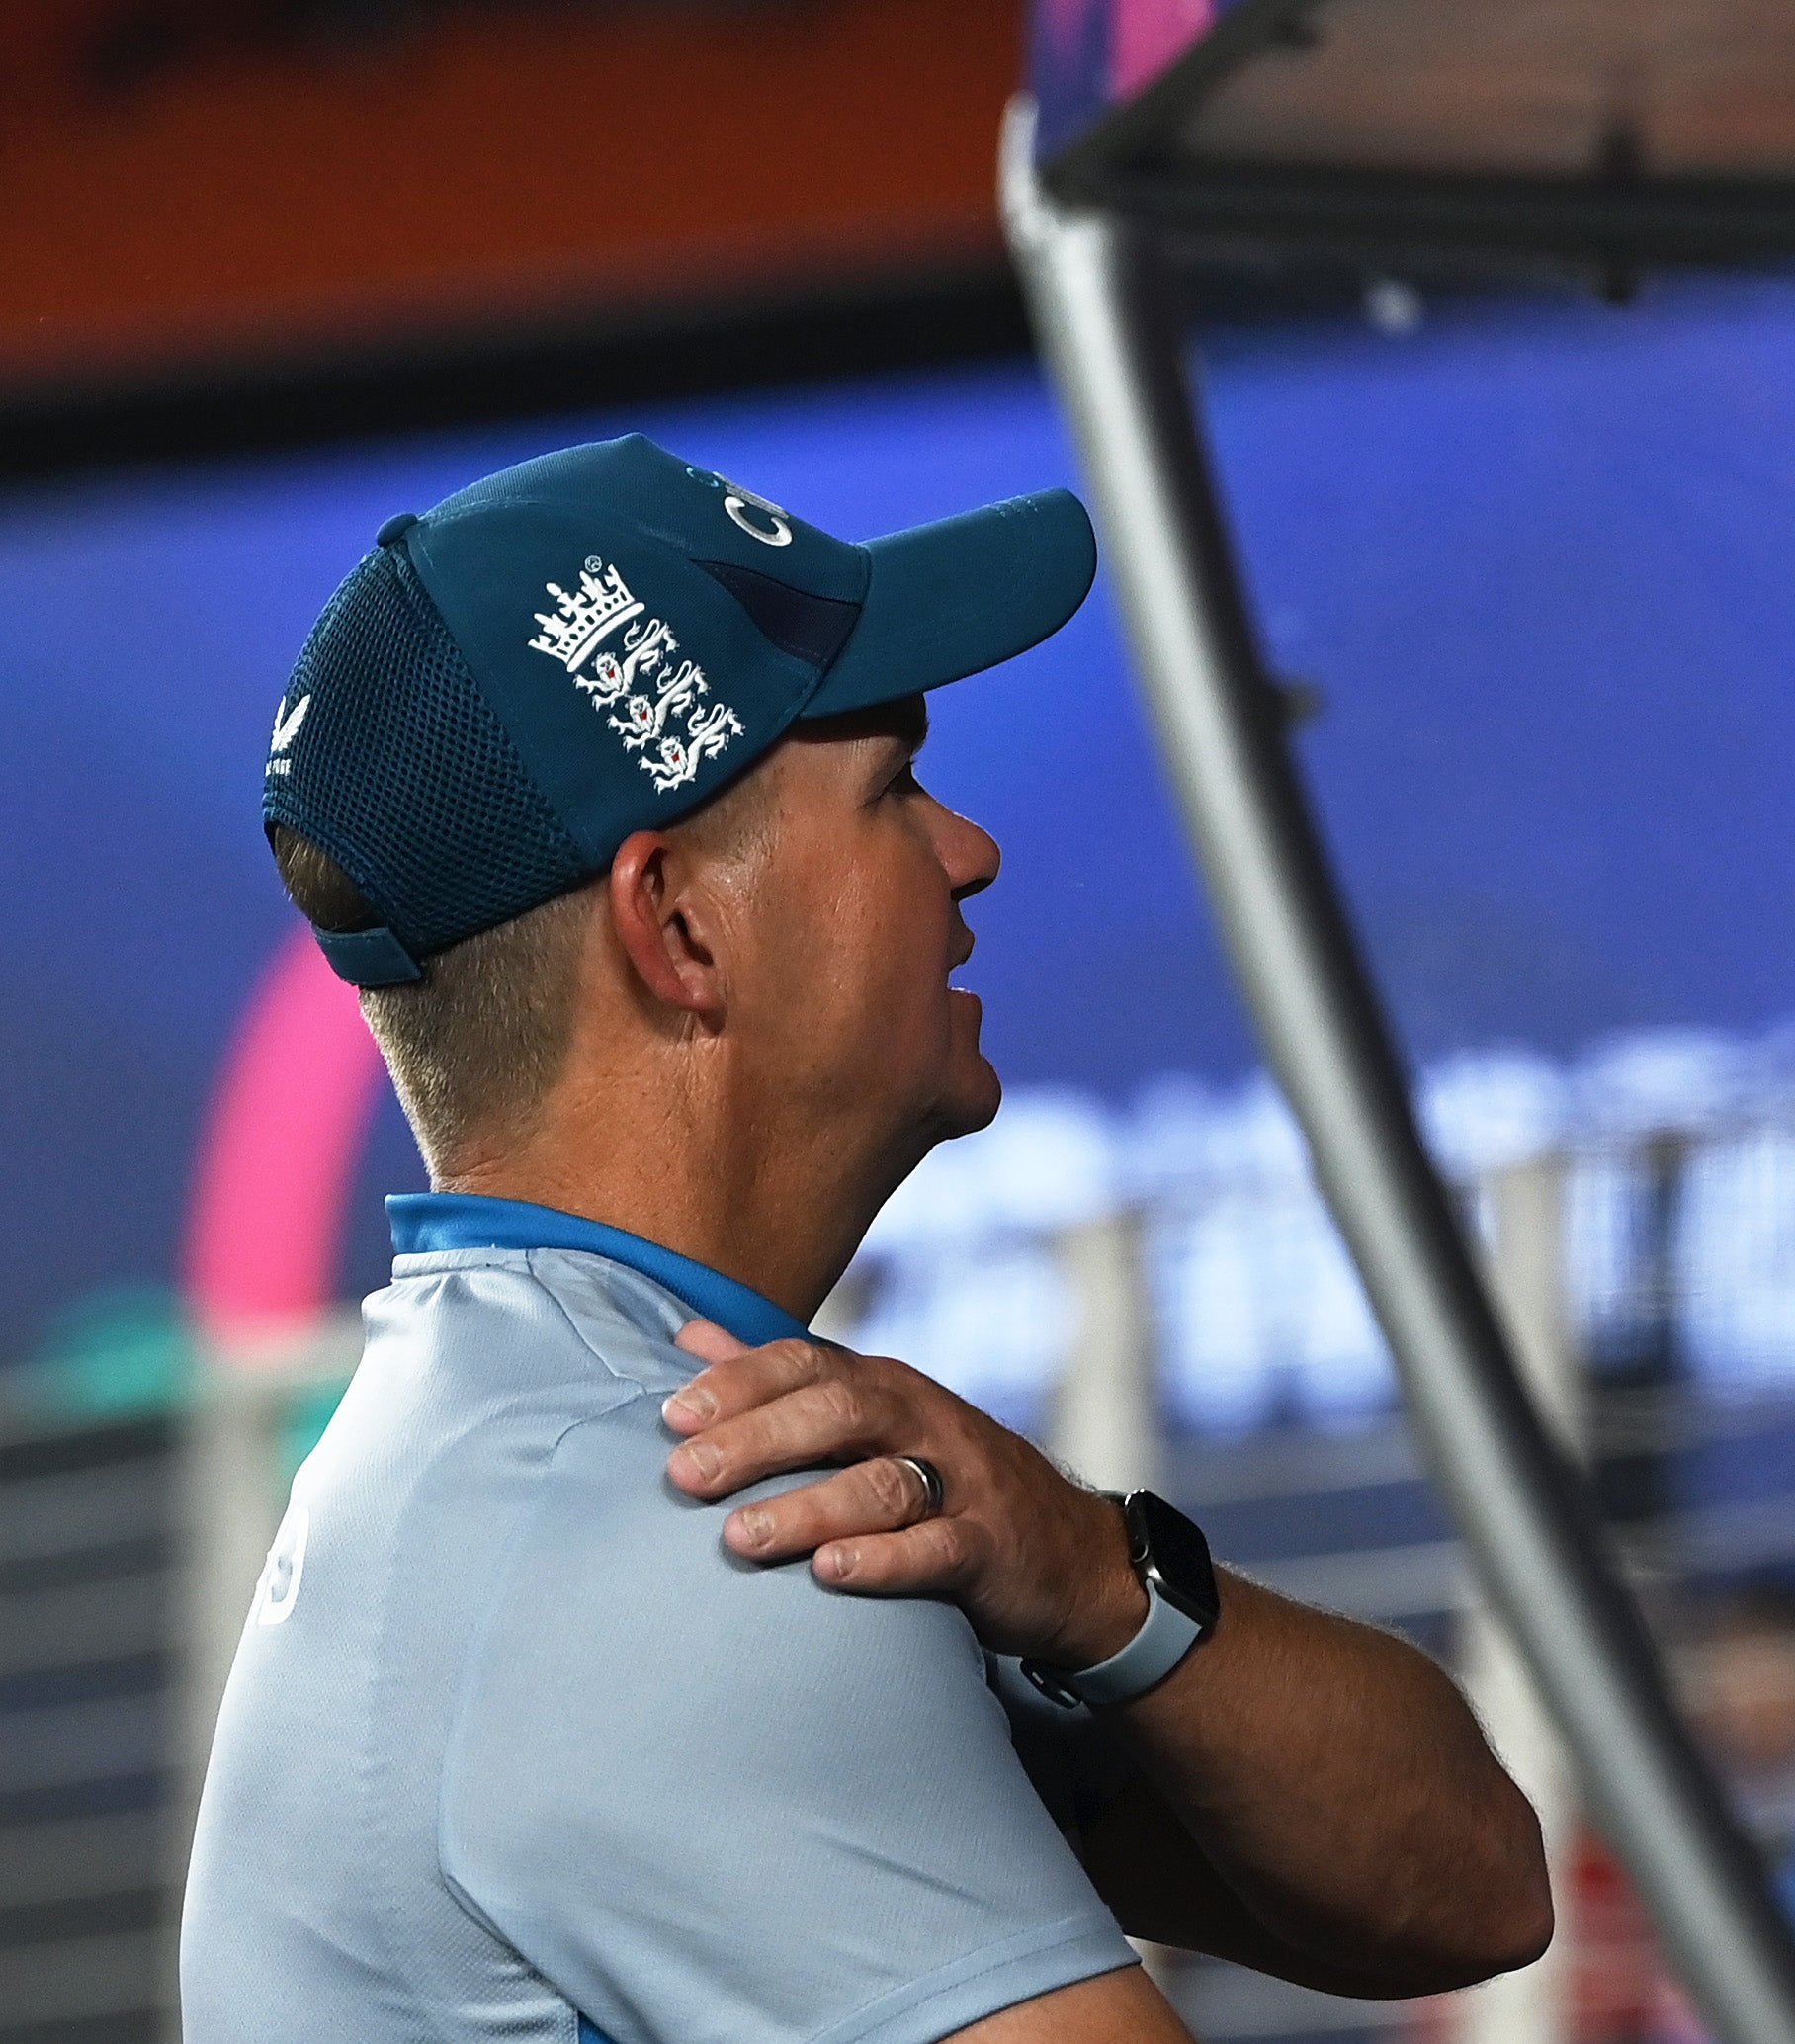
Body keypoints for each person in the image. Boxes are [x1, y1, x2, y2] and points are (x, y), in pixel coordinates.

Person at [180, 437, 1550, 2043]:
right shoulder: (673, 1524)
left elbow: (1469, 1886)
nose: (969, 850)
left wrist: (1091, 1568)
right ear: (679, 923)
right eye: (893, 787)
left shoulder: (548, 1446)